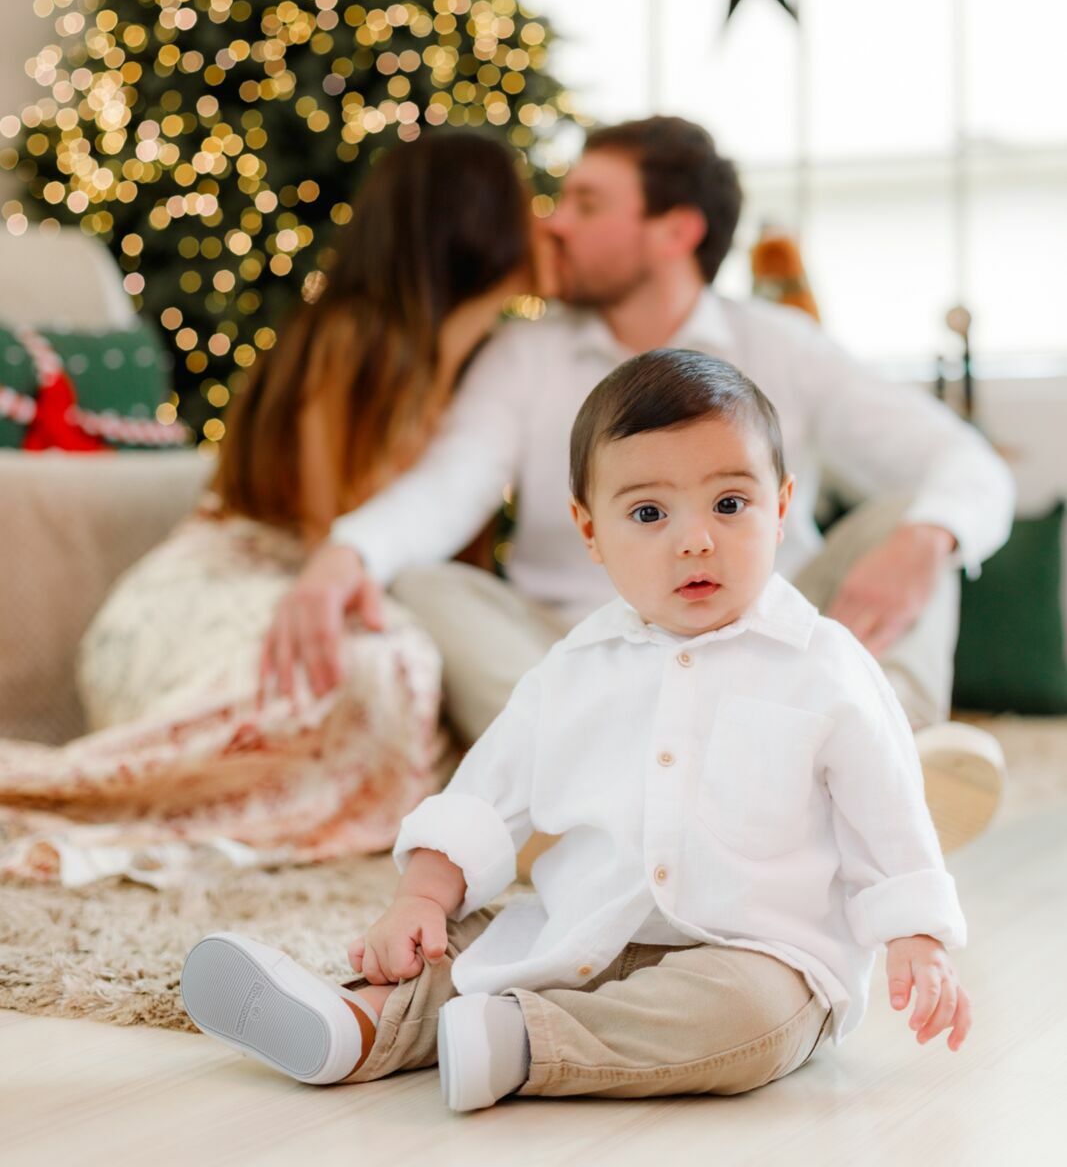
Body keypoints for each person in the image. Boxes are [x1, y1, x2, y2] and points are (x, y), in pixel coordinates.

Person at [181, 351, 971, 1111]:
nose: (695, 539)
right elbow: (487, 793)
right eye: (648, 514)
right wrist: (420, 896)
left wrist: (917, 937)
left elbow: (887, 814)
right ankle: (353, 1023)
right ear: (589, 532)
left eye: (729, 505)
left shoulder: (823, 664)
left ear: (782, 506)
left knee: (750, 1019)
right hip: (583, 932)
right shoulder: (575, 666)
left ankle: (526, 1041)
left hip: (758, 954)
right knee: (466, 946)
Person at [260, 116, 1015, 849]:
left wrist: (926, 538)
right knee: (427, 585)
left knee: (920, 522)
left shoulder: (783, 346)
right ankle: (602, 801)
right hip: (584, 660)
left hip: (767, 649)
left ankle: (889, 768)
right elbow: (449, 483)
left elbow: (966, 464)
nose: (553, 224)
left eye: (586, 204)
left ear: (674, 231)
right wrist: (348, 553)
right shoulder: (523, 354)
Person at [0, 130, 539, 885]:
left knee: (409, 679)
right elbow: (330, 533)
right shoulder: (350, 339)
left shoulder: (489, 368)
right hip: (220, 591)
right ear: (481, 224)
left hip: (315, 596)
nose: (546, 225)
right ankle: (62, 791)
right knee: (386, 665)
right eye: (528, 207)